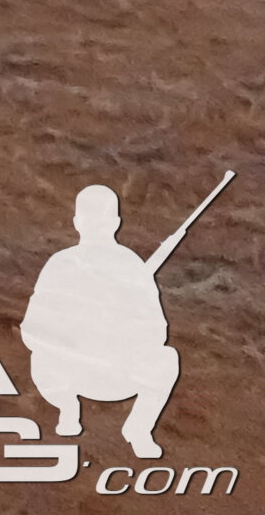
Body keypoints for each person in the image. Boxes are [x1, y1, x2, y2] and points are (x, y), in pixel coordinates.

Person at [22, 183, 184, 459]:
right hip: (70, 372)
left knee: (167, 359)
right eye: (90, 218)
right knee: (40, 358)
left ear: (115, 223)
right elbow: (32, 331)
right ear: (77, 222)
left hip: (121, 371)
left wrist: (119, 330)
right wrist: (73, 335)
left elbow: (158, 332)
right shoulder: (60, 264)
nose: (96, 224)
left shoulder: (132, 266)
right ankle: (68, 408)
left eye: (101, 218)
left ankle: (139, 429)